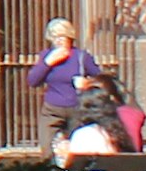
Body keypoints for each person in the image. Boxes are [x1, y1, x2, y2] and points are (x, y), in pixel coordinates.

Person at [31, 19, 115, 163]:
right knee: (47, 150)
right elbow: (33, 81)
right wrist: (47, 63)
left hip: (77, 109)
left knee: (77, 151)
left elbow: (102, 81)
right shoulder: (46, 56)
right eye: (55, 38)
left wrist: (87, 83)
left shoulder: (81, 57)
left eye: (62, 37)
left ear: (70, 38)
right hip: (53, 109)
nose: (59, 41)